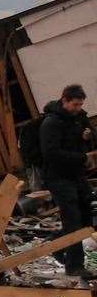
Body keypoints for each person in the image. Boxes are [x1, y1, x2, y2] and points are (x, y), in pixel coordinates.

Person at [39, 83, 96, 278]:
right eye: (75, 105)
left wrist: (87, 137)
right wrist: (81, 158)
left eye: (80, 105)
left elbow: (84, 139)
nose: (78, 108)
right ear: (64, 100)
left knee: (87, 218)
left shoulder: (78, 119)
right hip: (58, 178)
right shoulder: (51, 123)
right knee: (72, 220)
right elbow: (51, 153)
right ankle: (74, 266)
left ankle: (55, 244)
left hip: (77, 176)